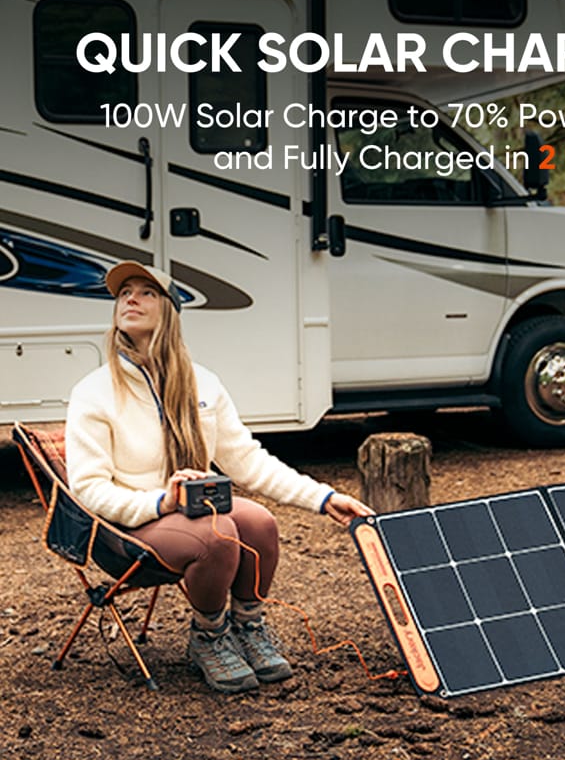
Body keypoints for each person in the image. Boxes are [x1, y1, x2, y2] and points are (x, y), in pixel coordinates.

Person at [65, 260, 373, 694]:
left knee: (260, 523)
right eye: (123, 293)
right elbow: (89, 488)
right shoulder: (94, 391)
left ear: (169, 310)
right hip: (124, 529)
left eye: (146, 292)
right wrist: (159, 503)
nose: (130, 298)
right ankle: (209, 635)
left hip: (186, 512)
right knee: (219, 531)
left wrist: (323, 499)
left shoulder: (202, 383)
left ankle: (247, 627)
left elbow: (247, 459)